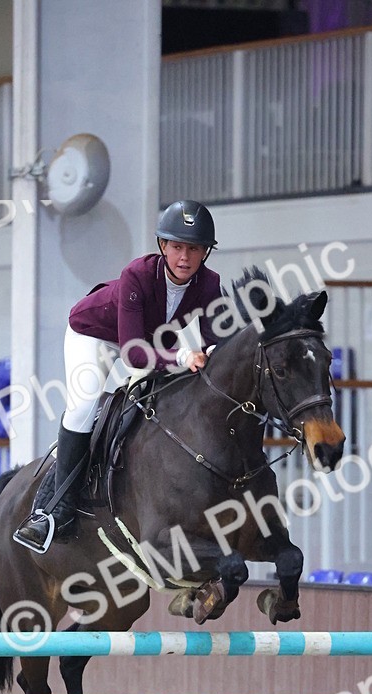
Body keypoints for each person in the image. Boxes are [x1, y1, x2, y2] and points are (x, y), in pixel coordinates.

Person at [14, 199, 222, 553]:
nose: (184, 257)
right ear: (163, 246)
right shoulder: (137, 274)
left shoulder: (209, 283)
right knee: (84, 408)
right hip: (95, 335)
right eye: (177, 247)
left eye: (194, 249)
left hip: (149, 342)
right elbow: (133, 354)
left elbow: (215, 340)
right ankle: (52, 511)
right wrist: (184, 355)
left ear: (205, 253)